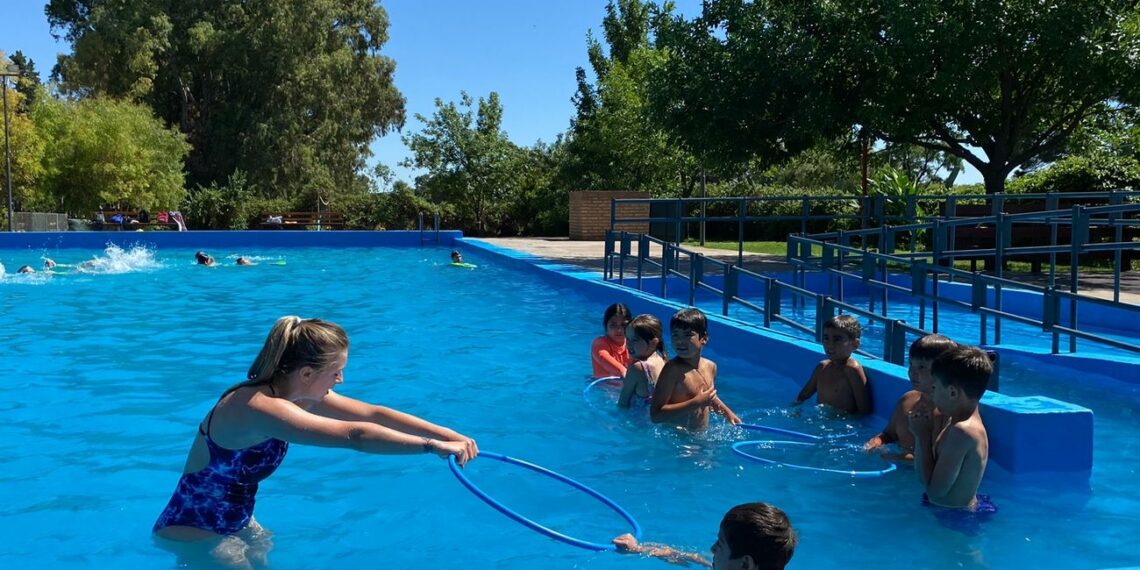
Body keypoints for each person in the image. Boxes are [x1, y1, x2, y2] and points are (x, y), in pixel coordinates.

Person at [153, 316, 478, 568]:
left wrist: (450, 435)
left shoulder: (295, 394)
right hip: (193, 528)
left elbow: (373, 413)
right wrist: (431, 447)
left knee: (265, 548)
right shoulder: (257, 408)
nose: (340, 380)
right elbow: (356, 435)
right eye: (336, 372)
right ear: (307, 373)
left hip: (236, 519)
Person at [910, 344, 993, 512]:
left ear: (953, 393)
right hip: (957, 510)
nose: (931, 393)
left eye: (935, 388)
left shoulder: (962, 432)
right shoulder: (958, 420)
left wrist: (922, 437)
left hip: (954, 519)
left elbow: (935, 493)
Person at [613, 502, 797, 569]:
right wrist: (637, 549)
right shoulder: (740, 565)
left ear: (745, 564)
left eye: (720, 544)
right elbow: (692, 557)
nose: (712, 549)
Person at [865, 334, 957, 460]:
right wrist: (876, 442)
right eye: (911, 365)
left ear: (943, 371)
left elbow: (939, 461)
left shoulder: (946, 413)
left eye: (922, 367)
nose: (912, 372)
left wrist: (900, 458)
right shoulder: (907, 400)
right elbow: (889, 434)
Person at [651, 308, 741, 429]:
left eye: (688, 335)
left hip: (700, 437)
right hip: (678, 440)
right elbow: (656, 415)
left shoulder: (711, 366)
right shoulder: (672, 370)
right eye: (675, 335)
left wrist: (728, 413)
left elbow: (709, 398)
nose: (680, 341)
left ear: (703, 338)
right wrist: (695, 403)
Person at [793, 315, 870, 415]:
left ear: (855, 344)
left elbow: (864, 410)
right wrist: (795, 411)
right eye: (826, 338)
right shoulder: (822, 368)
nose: (830, 344)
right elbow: (803, 395)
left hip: (842, 426)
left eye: (837, 339)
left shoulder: (852, 369)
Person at [617, 314, 668, 408]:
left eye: (635, 340)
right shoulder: (662, 359)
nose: (629, 344)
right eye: (627, 338)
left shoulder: (638, 368)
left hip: (635, 421)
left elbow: (622, 404)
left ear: (653, 343)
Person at [591, 303, 632, 378]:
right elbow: (604, 359)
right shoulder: (599, 344)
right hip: (601, 388)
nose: (619, 330)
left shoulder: (632, 343)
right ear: (606, 326)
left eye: (623, 325)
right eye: (613, 325)